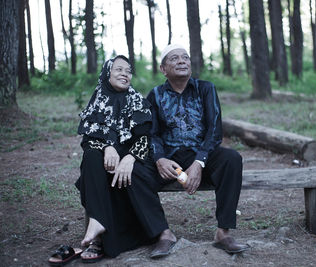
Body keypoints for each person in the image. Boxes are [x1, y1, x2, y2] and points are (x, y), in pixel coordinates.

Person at [147, 44, 249, 255]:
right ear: (163, 69)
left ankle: (223, 233)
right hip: (169, 160)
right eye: (174, 58)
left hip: (201, 154)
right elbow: (152, 133)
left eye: (185, 58)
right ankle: (163, 233)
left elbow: (215, 128)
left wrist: (199, 161)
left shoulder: (206, 88)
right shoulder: (155, 95)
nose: (182, 61)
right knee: (136, 172)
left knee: (231, 159)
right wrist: (159, 159)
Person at [74, 55, 173, 262]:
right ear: (107, 73)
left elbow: (145, 138)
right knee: (91, 157)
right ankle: (98, 222)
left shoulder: (137, 100)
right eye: (119, 69)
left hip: (135, 156)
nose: (125, 74)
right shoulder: (98, 98)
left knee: (124, 170)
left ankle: (101, 233)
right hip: (106, 158)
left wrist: (129, 158)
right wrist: (108, 146)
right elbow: (89, 138)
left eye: (128, 71)